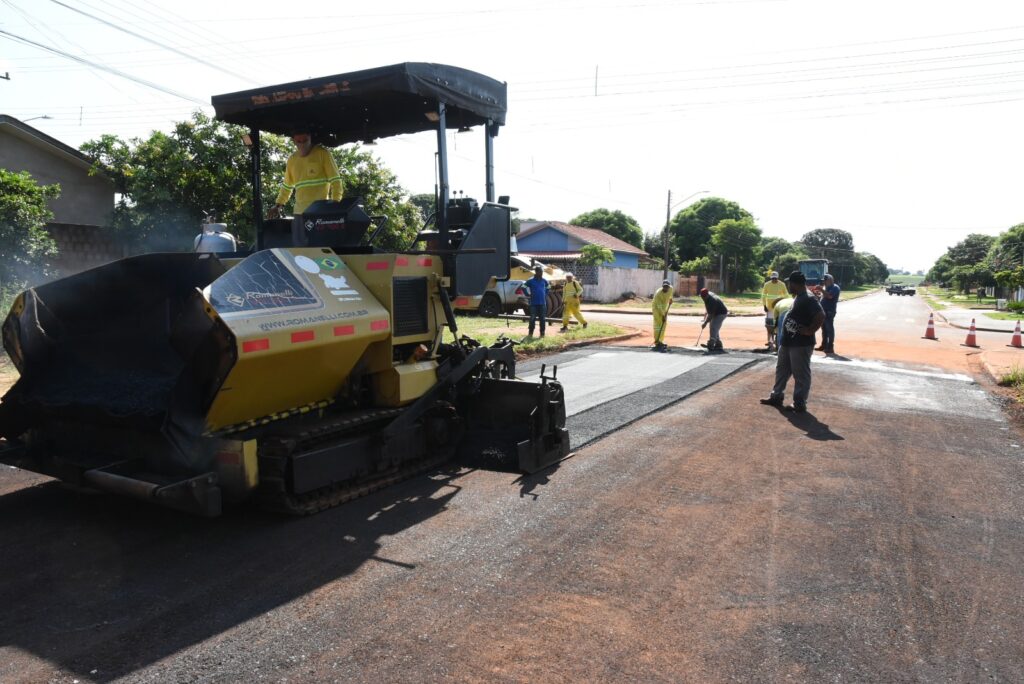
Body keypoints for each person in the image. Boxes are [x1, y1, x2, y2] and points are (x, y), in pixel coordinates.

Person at [760, 271, 825, 413]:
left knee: (800, 374)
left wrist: (809, 330)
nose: (788, 286)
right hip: (788, 341)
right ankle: (776, 396)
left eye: (790, 283)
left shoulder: (808, 298)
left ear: (795, 284)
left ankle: (800, 403)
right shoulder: (799, 296)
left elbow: (821, 315)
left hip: (801, 343)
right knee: (782, 370)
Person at [267, 130, 343, 218]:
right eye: (299, 141)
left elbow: (336, 180)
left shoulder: (323, 153)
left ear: (310, 138)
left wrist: (335, 202)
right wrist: (278, 206)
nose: (302, 144)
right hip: (300, 213)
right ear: (294, 141)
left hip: (320, 212)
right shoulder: (292, 160)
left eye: (305, 140)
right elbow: (287, 186)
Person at [761, 271, 788, 349]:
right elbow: (763, 296)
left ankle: (777, 341)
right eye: (773, 278)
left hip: (779, 308)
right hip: (769, 308)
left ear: (778, 278)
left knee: (778, 325)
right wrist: (764, 305)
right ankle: (770, 341)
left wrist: (784, 303)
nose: (774, 280)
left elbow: (786, 295)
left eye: (775, 278)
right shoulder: (767, 285)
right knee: (769, 325)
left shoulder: (782, 285)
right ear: (771, 278)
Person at [817, 273, 840, 354]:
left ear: (830, 280)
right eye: (824, 281)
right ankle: (824, 345)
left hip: (829, 311)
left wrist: (821, 290)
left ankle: (830, 347)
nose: (824, 282)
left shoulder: (835, 287)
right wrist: (819, 295)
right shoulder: (825, 287)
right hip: (823, 311)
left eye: (825, 281)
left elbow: (830, 296)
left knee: (829, 329)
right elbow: (823, 296)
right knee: (824, 329)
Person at [524, 266, 548, 337]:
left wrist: (545, 293)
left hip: (542, 303)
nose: (542, 273)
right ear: (536, 272)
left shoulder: (544, 280)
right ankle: (530, 333)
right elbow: (523, 287)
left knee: (543, 319)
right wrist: (527, 294)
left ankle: (542, 333)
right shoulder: (530, 280)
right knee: (532, 318)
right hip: (533, 303)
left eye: (542, 272)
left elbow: (548, 287)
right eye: (540, 271)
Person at [651, 280, 673, 351]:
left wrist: (671, 299)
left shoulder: (671, 289)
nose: (666, 288)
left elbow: (671, 295)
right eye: (664, 287)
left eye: (667, 287)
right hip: (656, 309)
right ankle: (657, 341)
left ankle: (660, 340)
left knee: (664, 324)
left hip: (664, 308)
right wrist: (663, 316)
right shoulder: (658, 294)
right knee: (658, 325)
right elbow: (659, 307)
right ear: (662, 287)